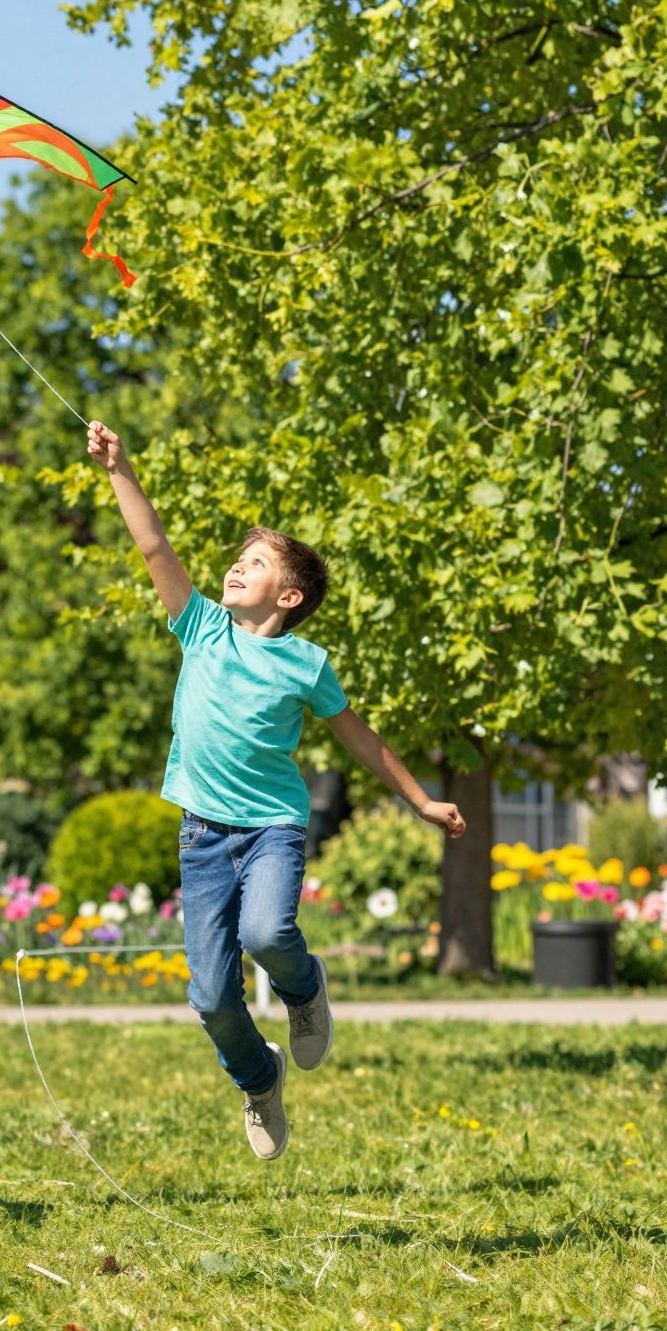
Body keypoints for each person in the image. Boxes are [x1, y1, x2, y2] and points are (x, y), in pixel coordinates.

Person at [87, 420, 465, 1161]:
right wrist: (118, 468)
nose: (235, 567)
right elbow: (154, 547)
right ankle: (261, 1080)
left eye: (253, 563)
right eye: (236, 559)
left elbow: (359, 736)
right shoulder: (200, 629)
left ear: (288, 595)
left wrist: (420, 800)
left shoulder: (305, 663)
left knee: (268, 934)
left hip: (270, 830)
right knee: (210, 999)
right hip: (202, 835)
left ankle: (304, 989)